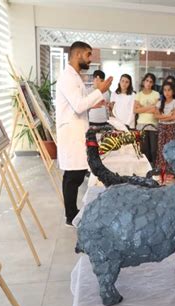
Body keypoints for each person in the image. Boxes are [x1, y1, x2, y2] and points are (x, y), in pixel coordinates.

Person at [55, 41, 112, 226]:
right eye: (88, 55)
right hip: (71, 132)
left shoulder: (75, 76)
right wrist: (100, 91)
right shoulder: (68, 77)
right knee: (73, 176)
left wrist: (94, 102)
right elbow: (79, 105)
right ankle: (70, 216)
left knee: (75, 174)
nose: (90, 59)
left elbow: (78, 104)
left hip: (76, 128)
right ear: (78, 54)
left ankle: (71, 213)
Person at [153, 81, 175, 174]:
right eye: (165, 90)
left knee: (170, 148)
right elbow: (156, 116)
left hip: (171, 127)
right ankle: (160, 168)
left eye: (169, 90)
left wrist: (163, 116)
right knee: (161, 147)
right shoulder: (159, 102)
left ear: (173, 91)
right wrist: (168, 115)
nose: (167, 92)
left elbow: (174, 117)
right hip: (162, 126)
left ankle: (169, 170)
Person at [134, 73, 160, 165]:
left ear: (153, 83)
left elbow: (156, 110)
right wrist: (150, 107)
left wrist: (142, 108)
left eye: (151, 82)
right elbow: (135, 110)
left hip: (153, 125)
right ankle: (146, 168)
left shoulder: (156, 94)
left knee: (154, 150)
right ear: (143, 81)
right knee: (144, 150)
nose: (148, 83)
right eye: (147, 81)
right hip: (141, 125)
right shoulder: (138, 95)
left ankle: (154, 168)